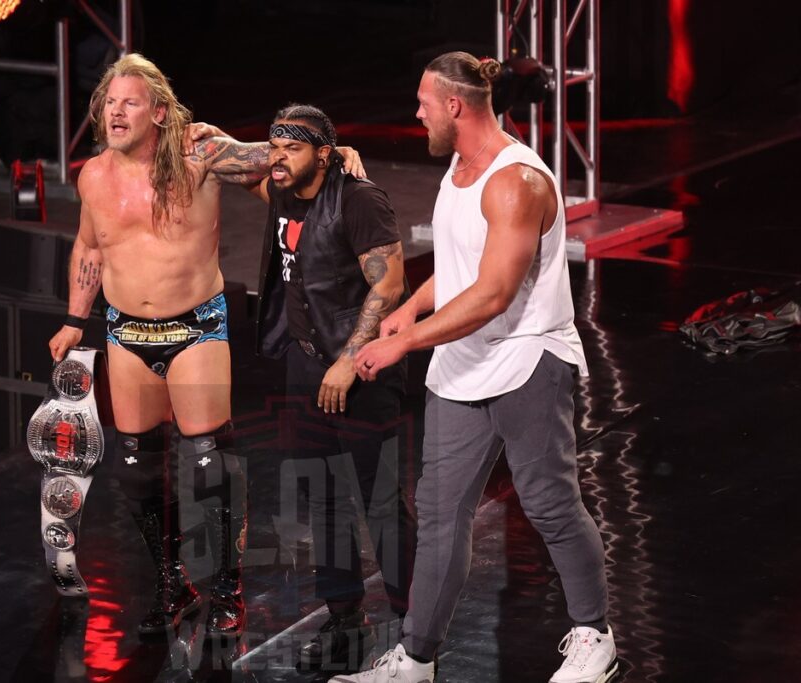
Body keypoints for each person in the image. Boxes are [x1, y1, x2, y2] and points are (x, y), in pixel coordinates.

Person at [49, 53, 366, 640]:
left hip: (195, 327)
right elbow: (90, 247)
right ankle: (171, 583)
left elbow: (269, 164)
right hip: (127, 335)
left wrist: (327, 161)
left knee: (206, 464)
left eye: (130, 103)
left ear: (160, 113)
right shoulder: (92, 175)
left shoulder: (199, 153)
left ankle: (225, 588)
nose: (116, 113)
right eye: (109, 103)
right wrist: (74, 319)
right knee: (136, 469)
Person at [338, 52, 618, 683]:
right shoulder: (460, 169)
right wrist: (409, 308)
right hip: (464, 362)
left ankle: (594, 637)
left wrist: (402, 346)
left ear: (455, 107)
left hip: (527, 357)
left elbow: (492, 293)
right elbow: (462, 267)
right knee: (440, 512)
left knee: (548, 502)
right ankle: (415, 659)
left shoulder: (517, 182)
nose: (417, 114)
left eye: (424, 103)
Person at [243, 104, 419, 671]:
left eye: (291, 149)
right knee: (321, 495)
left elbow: (390, 286)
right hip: (305, 362)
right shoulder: (282, 187)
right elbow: (226, 157)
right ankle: (345, 620)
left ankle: (413, 629)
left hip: (362, 367)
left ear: (323, 154)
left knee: (382, 501)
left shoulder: (359, 198)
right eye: (273, 147)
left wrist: (348, 362)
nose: (277, 158)